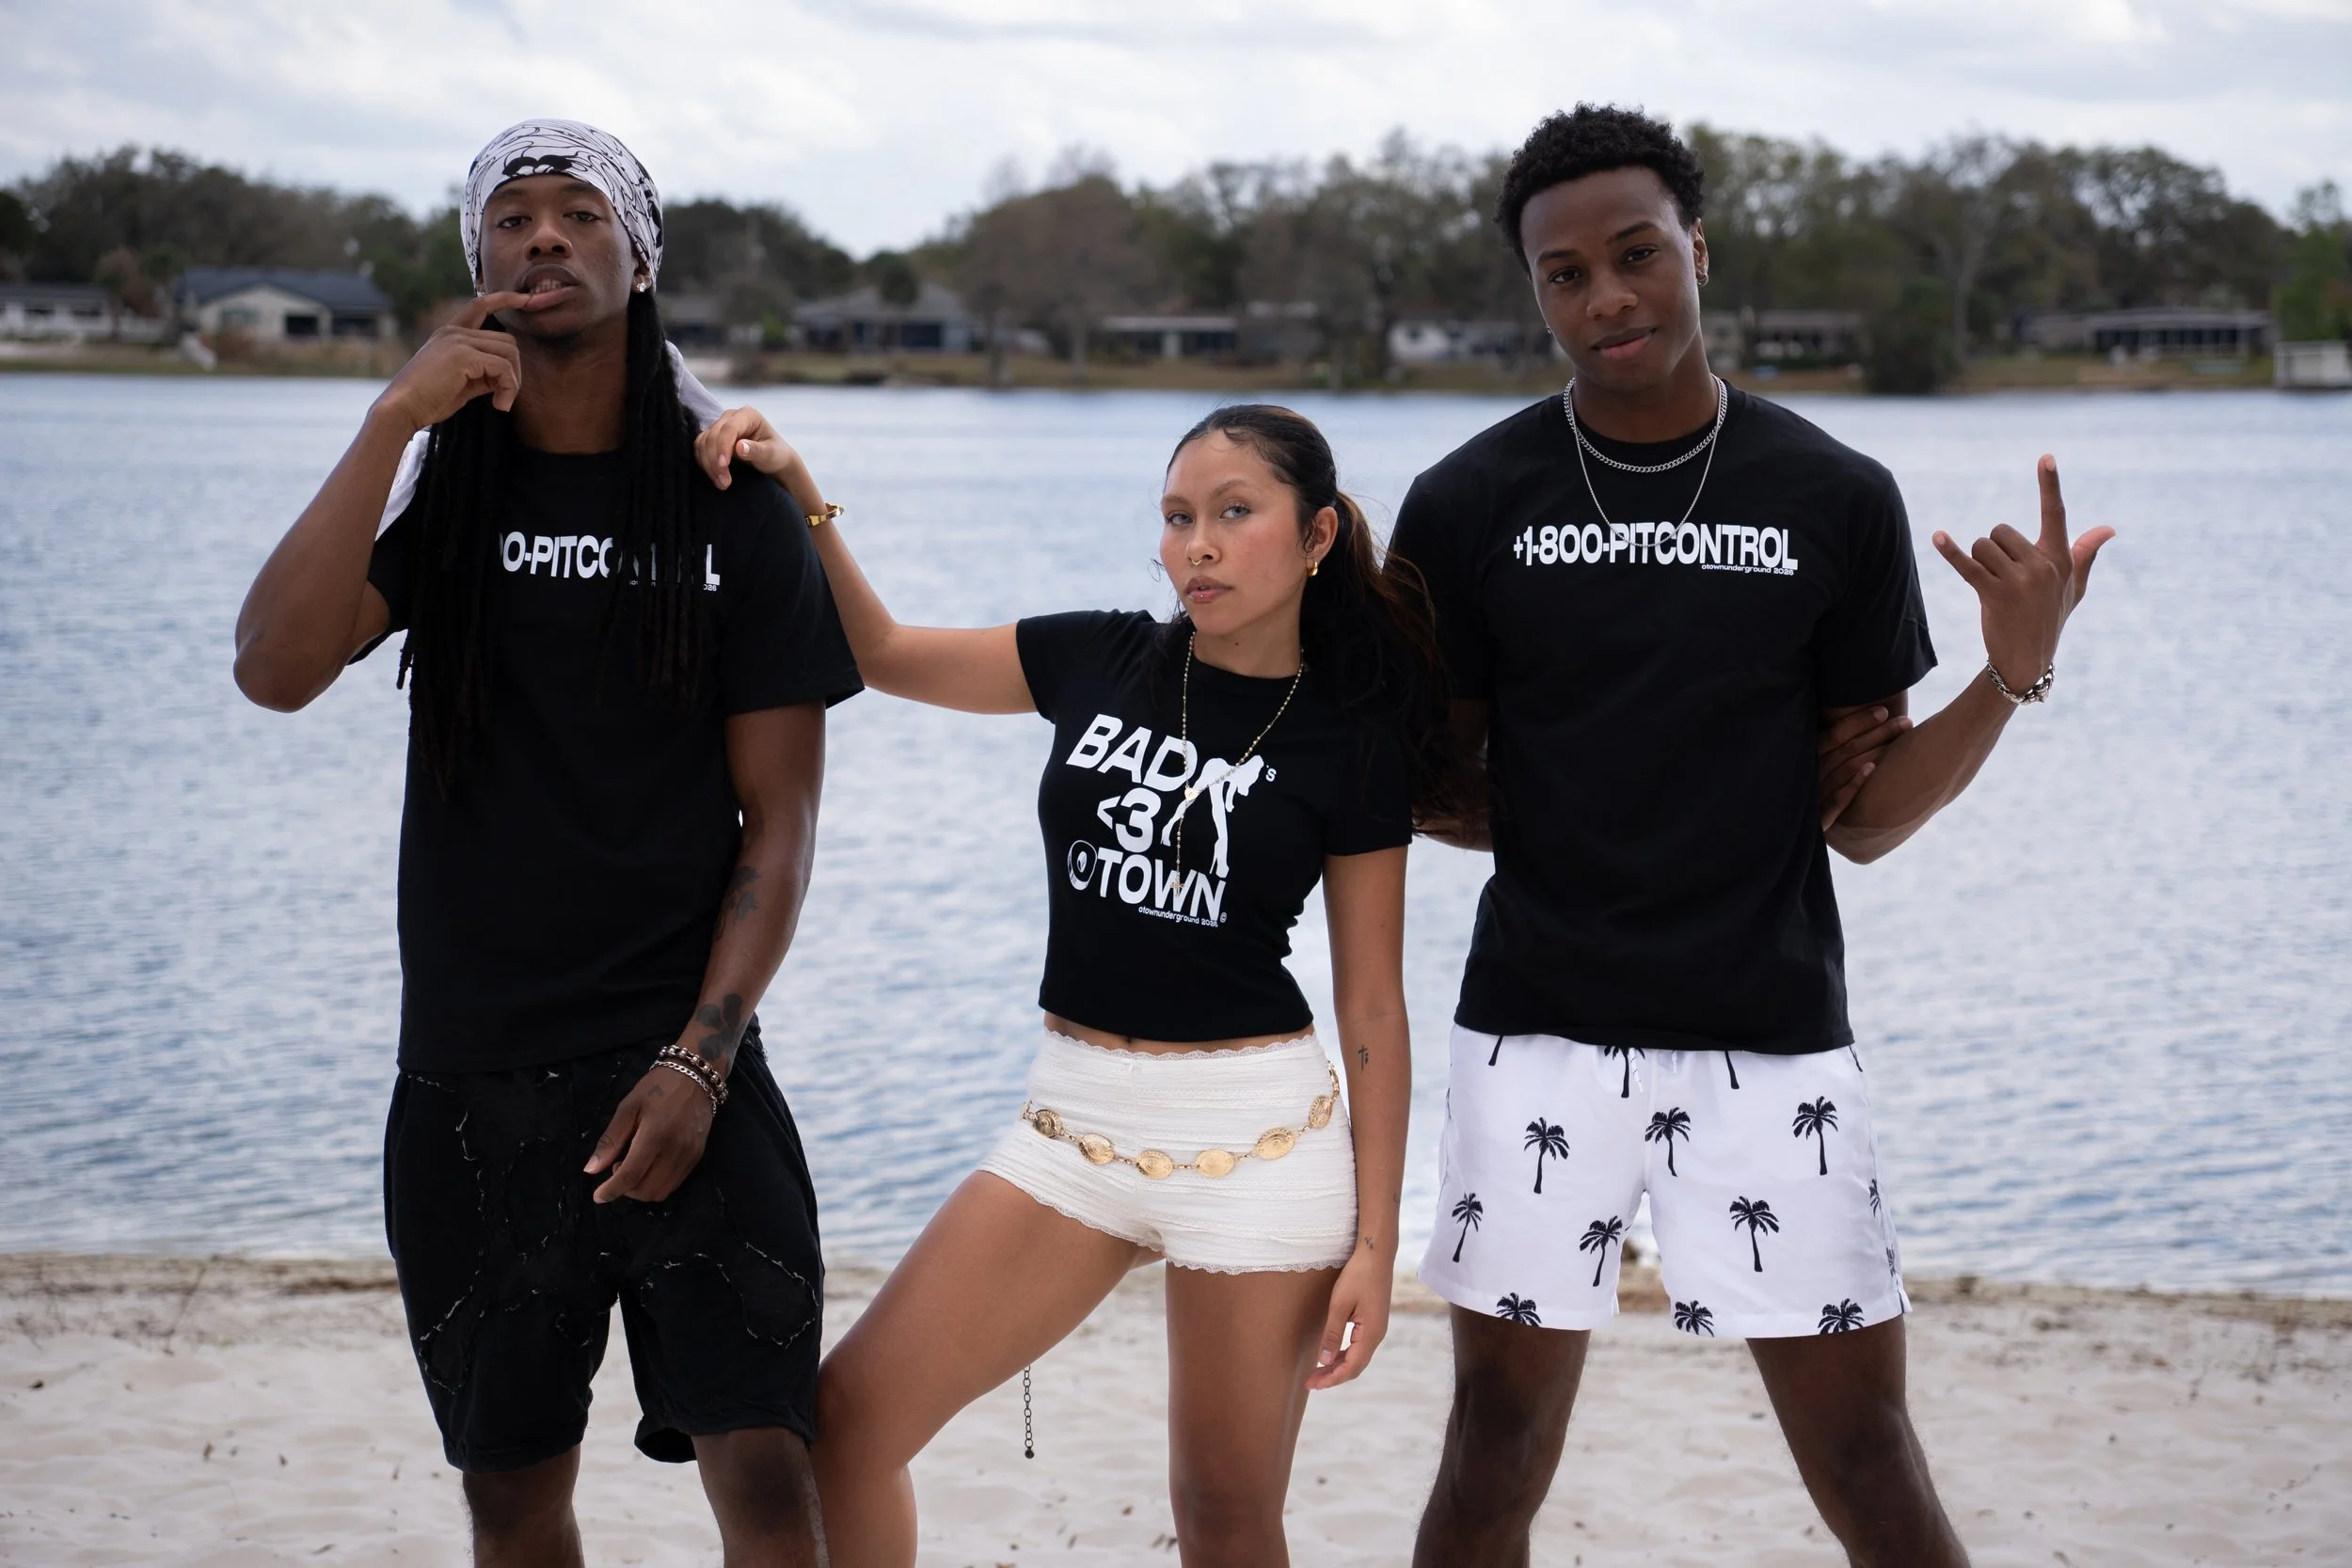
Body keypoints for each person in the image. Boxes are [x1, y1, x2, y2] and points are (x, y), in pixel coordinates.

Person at [1391, 105, 2113, 1568]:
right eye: (1565, 274)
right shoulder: (1467, 503)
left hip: (1773, 1039)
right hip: (1538, 1038)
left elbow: (1870, 819)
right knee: (1491, 1457)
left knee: (1870, 1465)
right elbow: (1432, 784)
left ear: (1699, 250)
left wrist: (2009, 673)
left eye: (1638, 254)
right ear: (1535, 290)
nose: (1608, 298)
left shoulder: (1832, 495)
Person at [230, 120, 860, 1567]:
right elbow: (273, 666)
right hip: (473, 1082)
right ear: (480, 261)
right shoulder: (448, 496)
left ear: (640, 259)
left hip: (684, 1071)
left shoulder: (730, 506)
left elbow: (783, 820)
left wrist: (700, 1059)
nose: (546, 236)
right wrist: (391, 421)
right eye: (512, 216)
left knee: (768, 1476)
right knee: (514, 1505)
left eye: (581, 211)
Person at [688, 400, 1441, 1568]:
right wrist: (802, 492)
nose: (1196, 544)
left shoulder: (1351, 737)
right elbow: (882, 653)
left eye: (1233, 513)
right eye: (1177, 517)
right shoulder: (1100, 655)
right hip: (1070, 1125)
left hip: (1258, 1145)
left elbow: (1375, 1008)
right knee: (845, 1427)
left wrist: (1376, 1246)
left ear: (1315, 536)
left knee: (1224, 1511)